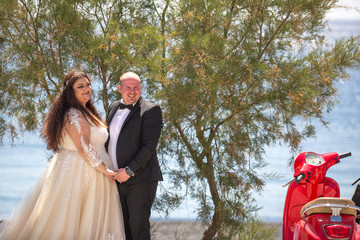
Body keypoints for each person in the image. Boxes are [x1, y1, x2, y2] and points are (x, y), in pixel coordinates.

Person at [0, 70, 125, 240]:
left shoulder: (86, 110)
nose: (86, 89)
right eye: (80, 86)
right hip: (82, 171)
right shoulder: (74, 114)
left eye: (88, 84)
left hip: (94, 171)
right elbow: (84, 147)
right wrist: (106, 171)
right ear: (70, 92)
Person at [105, 72, 163, 240]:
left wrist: (129, 171)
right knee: (123, 230)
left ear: (141, 88)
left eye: (136, 88)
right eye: (127, 88)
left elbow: (149, 147)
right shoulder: (113, 106)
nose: (132, 92)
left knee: (138, 229)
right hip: (116, 179)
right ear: (119, 89)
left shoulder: (151, 110)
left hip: (140, 180)